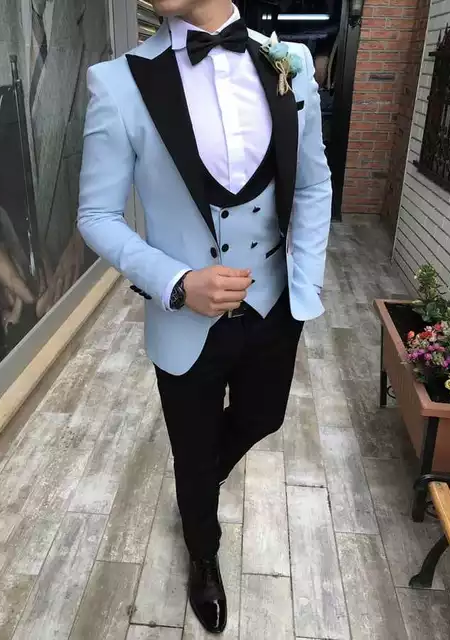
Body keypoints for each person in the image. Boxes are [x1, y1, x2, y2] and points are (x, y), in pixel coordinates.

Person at [78, 0, 331, 633]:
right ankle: (202, 551)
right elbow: (96, 216)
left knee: (263, 417)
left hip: (274, 304)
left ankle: (197, 488)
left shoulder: (290, 63)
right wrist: (176, 281)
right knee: (191, 451)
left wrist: (304, 285)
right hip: (184, 320)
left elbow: (312, 185)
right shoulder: (118, 82)